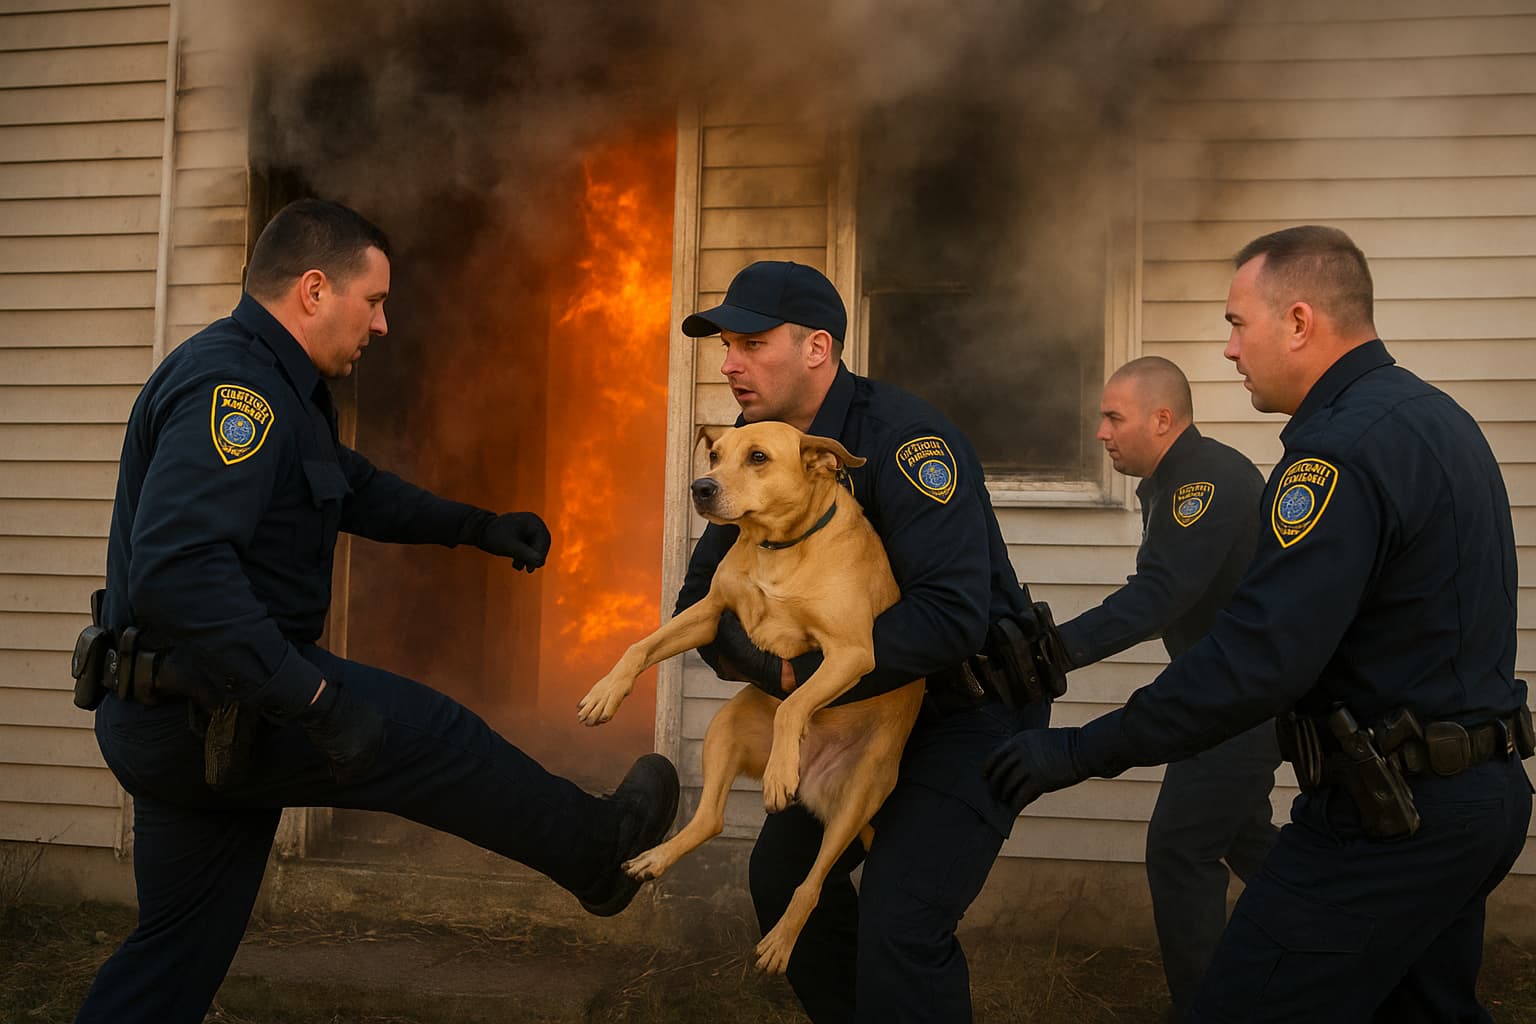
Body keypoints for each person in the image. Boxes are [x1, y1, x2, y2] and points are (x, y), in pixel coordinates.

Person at [73, 198, 680, 1024]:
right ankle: (600, 856)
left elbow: (351, 487)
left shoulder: (277, 385)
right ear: (314, 290)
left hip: (177, 713)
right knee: (439, 738)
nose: (384, 324)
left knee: (175, 957)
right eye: (376, 300)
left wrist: (476, 527)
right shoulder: (235, 390)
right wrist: (315, 701)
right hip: (207, 706)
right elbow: (179, 574)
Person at [986, 225, 1532, 1022]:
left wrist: (1076, 750)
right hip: (1472, 798)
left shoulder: (1335, 453)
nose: (1231, 349)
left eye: (1238, 324)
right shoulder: (1435, 419)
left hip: (1389, 821)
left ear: (1300, 322)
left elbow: (1253, 661)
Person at [673, 260, 1049, 1023]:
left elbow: (950, 616)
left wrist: (797, 677)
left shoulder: (909, 441)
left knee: (900, 919)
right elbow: (703, 606)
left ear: (817, 348)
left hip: (966, 709)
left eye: (751, 343)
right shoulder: (752, 450)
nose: (730, 363)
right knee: (780, 883)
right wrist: (783, 673)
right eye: (726, 346)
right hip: (846, 709)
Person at [1052, 356, 1277, 1020]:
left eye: (1113, 417)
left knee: (1180, 850)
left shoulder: (1201, 480)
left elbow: (1158, 596)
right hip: (1227, 693)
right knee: (1249, 841)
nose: (1101, 432)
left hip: (1239, 699)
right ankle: (1348, 949)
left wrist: (1051, 653)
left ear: (1161, 419)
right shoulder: (1176, 480)